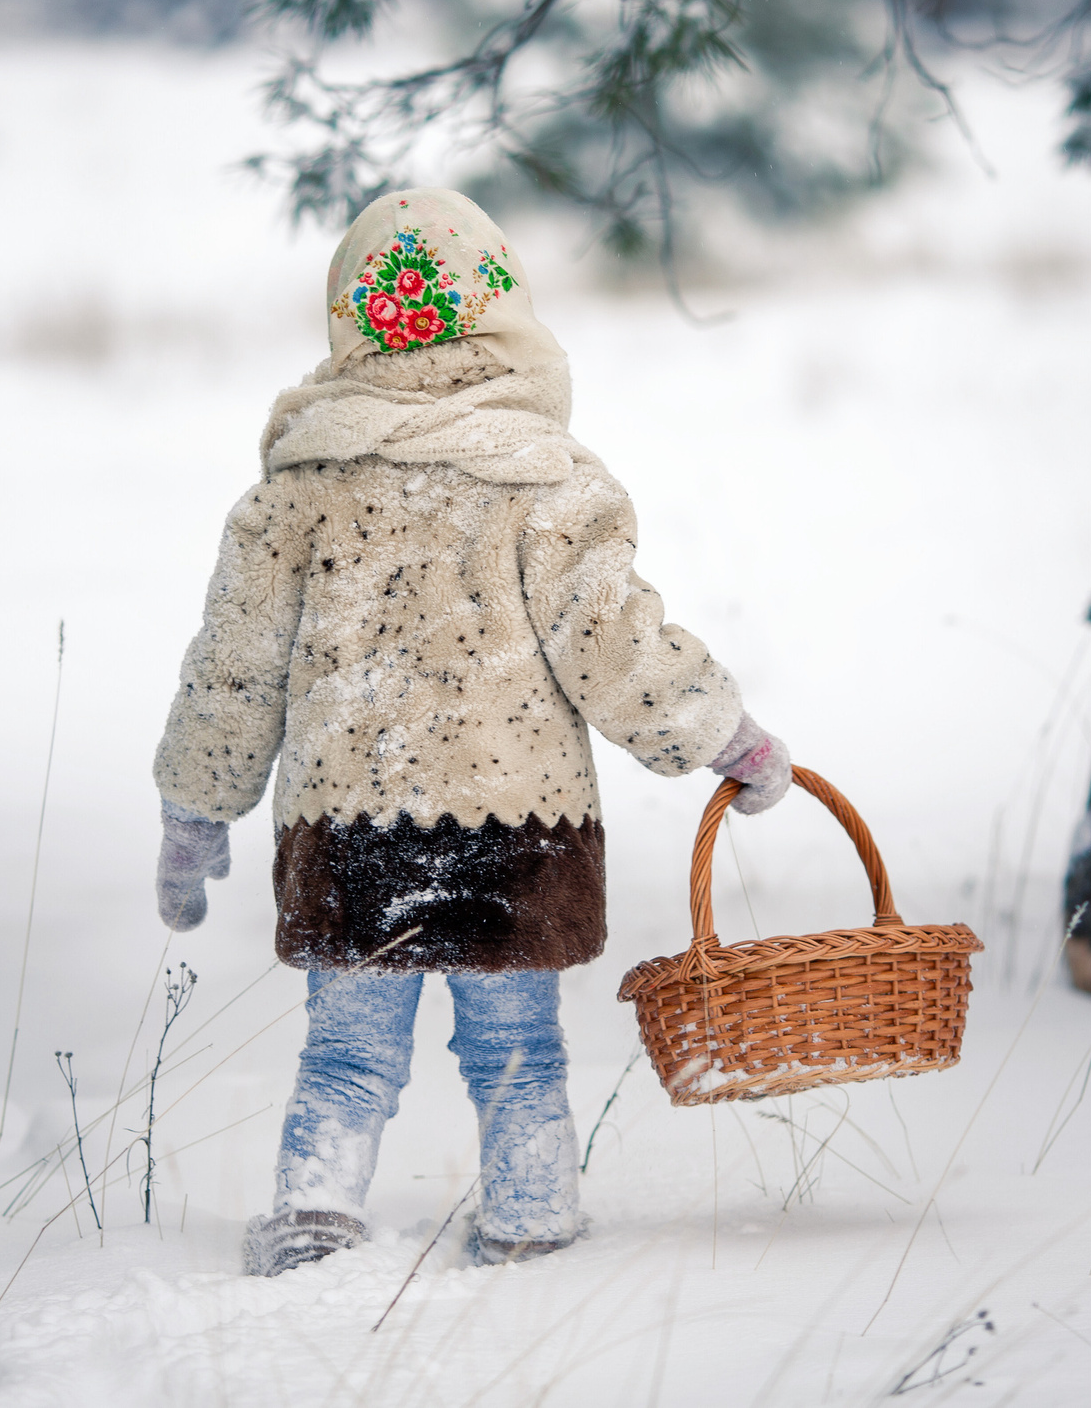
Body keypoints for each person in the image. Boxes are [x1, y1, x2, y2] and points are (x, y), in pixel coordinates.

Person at [150, 188, 791, 1276]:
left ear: (351, 316)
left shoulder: (296, 490)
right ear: (505, 315)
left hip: (348, 832)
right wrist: (723, 735)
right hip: (518, 828)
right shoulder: (545, 483)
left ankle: (314, 1220)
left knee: (346, 1057)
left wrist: (194, 809)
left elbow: (233, 667)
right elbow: (615, 645)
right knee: (517, 1055)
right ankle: (531, 1223)